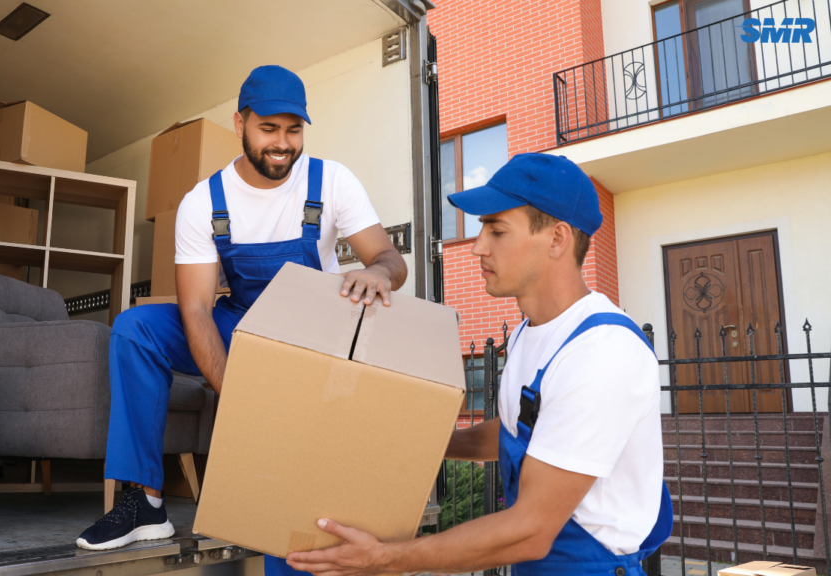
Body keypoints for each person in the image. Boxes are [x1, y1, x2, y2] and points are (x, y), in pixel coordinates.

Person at [76, 65, 408, 576]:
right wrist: (242, 399)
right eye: (268, 129)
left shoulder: (331, 180)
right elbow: (195, 309)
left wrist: (380, 272)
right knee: (135, 328)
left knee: (292, 499)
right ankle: (144, 502)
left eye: (293, 130)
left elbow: (389, 256)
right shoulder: (203, 202)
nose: (283, 144)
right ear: (240, 123)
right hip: (239, 325)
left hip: (310, 338)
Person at [286, 153, 672, 576]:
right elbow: (518, 433)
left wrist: (384, 558)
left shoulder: (602, 353)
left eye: (497, 230)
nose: (477, 247)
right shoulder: (531, 332)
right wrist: (427, 443)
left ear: (557, 238)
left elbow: (530, 530)